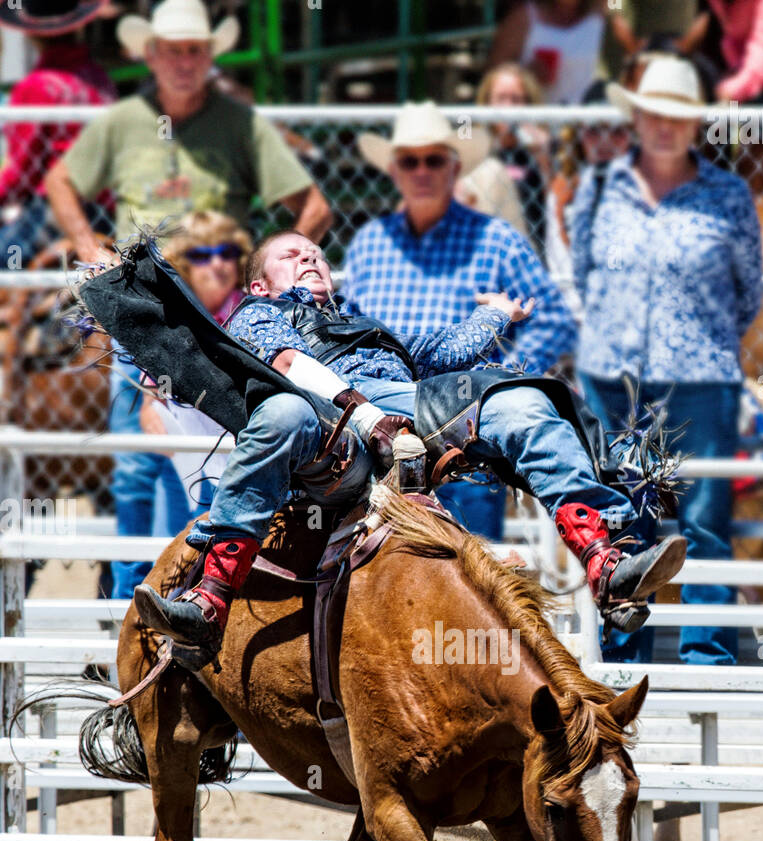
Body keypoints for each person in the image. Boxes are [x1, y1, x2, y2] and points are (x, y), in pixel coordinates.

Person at [102, 231, 686, 665]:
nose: (310, 258)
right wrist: (367, 414)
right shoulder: (259, 314)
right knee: (278, 412)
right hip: (324, 427)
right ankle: (211, 596)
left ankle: (602, 559)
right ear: (259, 283)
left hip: (410, 408)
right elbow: (289, 365)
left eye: (317, 255)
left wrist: (495, 316)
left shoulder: (368, 329)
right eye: (292, 254)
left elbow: (442, 351)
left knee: (520, 403)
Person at [43, 0, 332, 602]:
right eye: (172, 50)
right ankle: (129, 607)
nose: (183, 61)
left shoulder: (239, 123)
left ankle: (182, 596)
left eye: (194, 50)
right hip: (139, 315)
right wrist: (89, 247)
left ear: (209, 56)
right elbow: (60, 181)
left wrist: (262, 271)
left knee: (200, 462)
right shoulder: (123, 120)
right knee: (137, 465)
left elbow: (314, 205)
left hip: (215, 323)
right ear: (150, 55)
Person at [572, 56, 762, 665]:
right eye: (653, 113)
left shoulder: (728, 195)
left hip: (700, 381)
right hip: (613, 380)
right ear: (636, 117)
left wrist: (696, 340)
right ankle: (622, 663)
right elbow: (584, 275)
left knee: (704, 522)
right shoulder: (599, 187)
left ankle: (708, 659)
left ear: (695, 124)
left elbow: (748, 290)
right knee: (622, 522)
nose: (663, 126)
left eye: (677, 116)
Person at [343, 102, 578, 542]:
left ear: (454, 169)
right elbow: (350, 331)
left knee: (473, 575)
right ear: (394, 171)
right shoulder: (369, 244)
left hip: (463, 438)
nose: (422, 171)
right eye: (410, 161)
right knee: (379, 577)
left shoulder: (496, 240)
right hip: (380, 437)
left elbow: (553, 319)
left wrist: (498, 382)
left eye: (434, 160)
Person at [139, 211, 252, 514]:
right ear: (184, 264)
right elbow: (152, 393)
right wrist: (150, 411)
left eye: (226, 253)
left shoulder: (251, 311)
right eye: (202, 254)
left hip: (245, 455)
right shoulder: (170, 318)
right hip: (190, 455)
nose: (217, 263)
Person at [0, 0, 116, 269]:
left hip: (56, 213)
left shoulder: (37, 86)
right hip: (105, 210)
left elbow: (20, 174)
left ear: (29, 32)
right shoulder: (98, 78)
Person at [545, 79, 630, 318]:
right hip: (579, 317)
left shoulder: (648, 189)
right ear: (579, 134)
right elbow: (560, 269)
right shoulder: (563, 191)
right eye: (594, 130)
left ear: (632, 136)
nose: (605, 142)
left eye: (617, 131)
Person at [460, 64, 552, 249]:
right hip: (484, 239)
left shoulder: (540, 144)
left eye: (516, 99)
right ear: (487, 103)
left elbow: (554, 200)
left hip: (529, 241)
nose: (508, 107)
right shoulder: (475, 142)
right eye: (501, 99)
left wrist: (543, 157)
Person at [487, 1, 608, 104]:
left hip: (589, 123)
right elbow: (492, 76)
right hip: (536, 121)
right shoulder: (523, 17)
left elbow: (618, 6)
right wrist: (524, 76)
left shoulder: (601, 15)